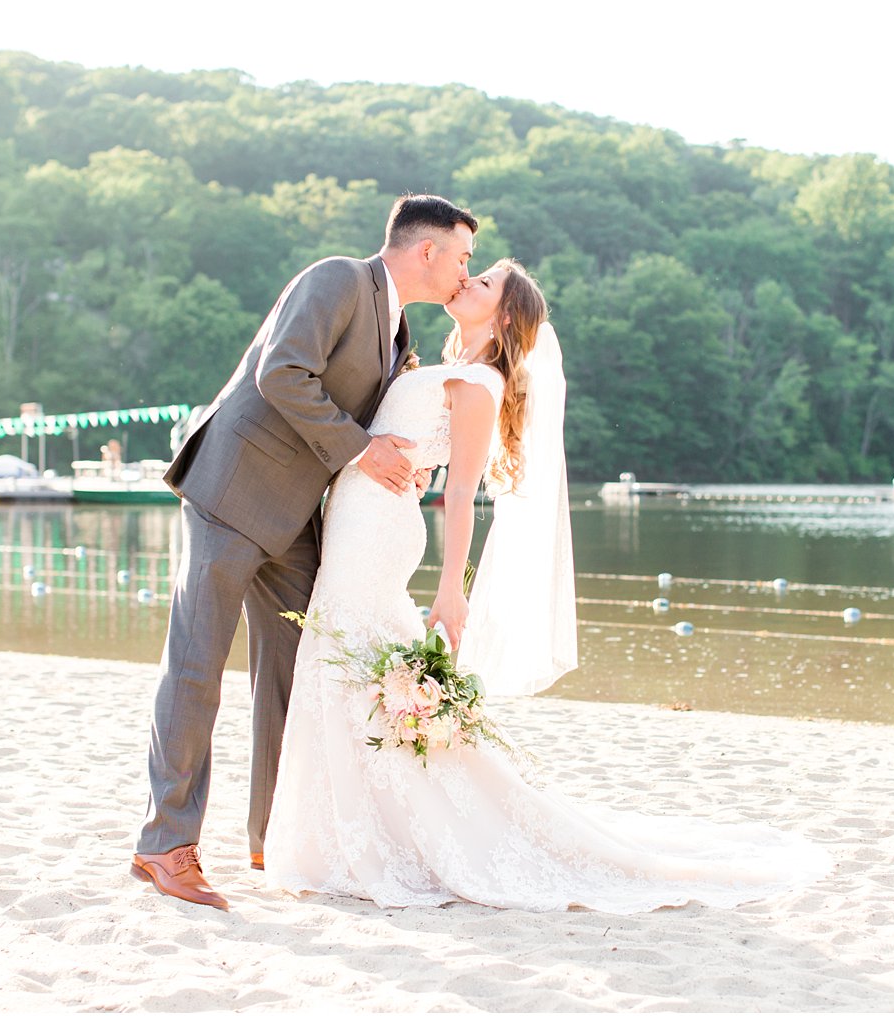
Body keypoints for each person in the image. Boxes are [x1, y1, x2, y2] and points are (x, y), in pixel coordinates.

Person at [260, 259, 833, 912]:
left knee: (350, 665)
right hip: (357, 523)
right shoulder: (434, 364)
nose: (467, 283)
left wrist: (453, 591)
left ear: (504, 317)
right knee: (346, 669)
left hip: (379, 537)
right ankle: (344, 833)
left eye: (484, 284)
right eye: (472, 275)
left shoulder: (477, 382)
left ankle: (366, 841)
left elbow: (465, 494)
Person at [130, 195, 479, 910]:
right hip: (231, 490)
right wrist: (364, 450)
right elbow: (282, 373)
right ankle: (165, 845)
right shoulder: (337, 279)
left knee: (296, 668)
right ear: (426, 251)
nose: (464, 271)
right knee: (197, 667)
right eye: (464, 256)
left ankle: (273, 834)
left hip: (296, 519)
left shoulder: (399, 327)